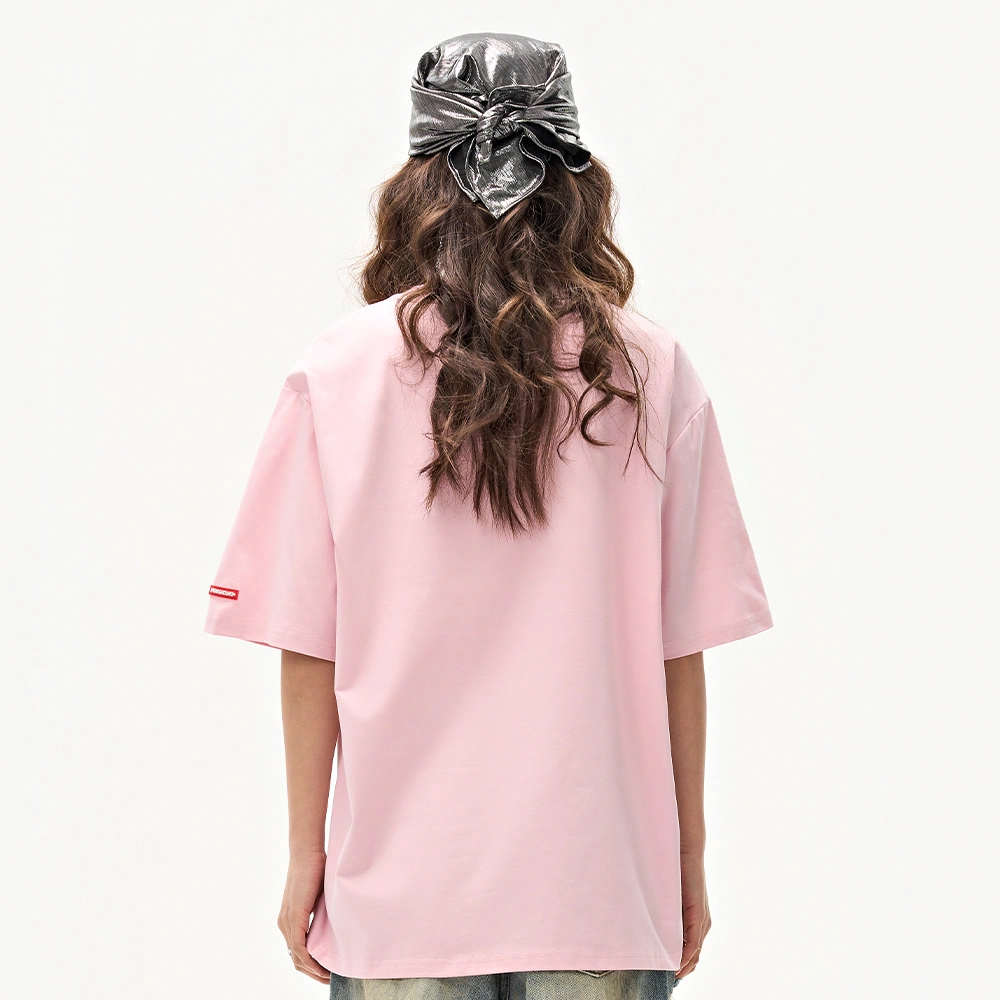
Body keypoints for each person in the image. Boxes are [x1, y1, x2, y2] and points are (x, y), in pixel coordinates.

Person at [204, 32, 774, 1000]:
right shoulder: (647, 367)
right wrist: (687, 858)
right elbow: (678, 650)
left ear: (418, 180)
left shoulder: (338, 370)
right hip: (600, 885)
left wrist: (307, 857)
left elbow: (310, 646)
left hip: (402, 897)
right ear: (572, 181)